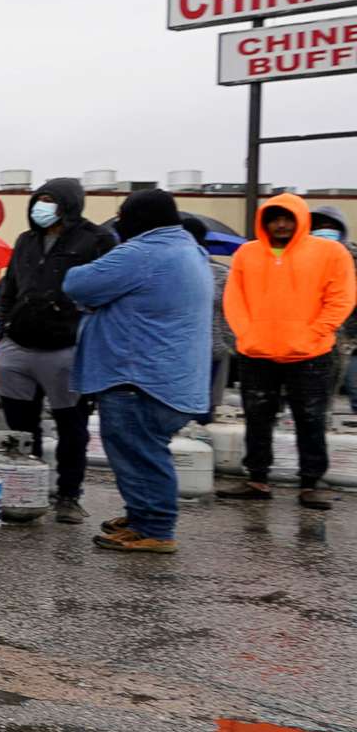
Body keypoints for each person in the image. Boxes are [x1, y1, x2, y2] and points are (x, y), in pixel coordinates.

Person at [65, 191, 212, 553]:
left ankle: (156, 529)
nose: (119, 224)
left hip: (138, 377)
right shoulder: (190, 250)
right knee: (144, 450)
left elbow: (77, 284)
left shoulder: (145, 252)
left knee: (140, 454)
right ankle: (142, 515)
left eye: (123, 216)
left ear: (139, 218)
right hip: (170, 377)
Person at [216, 194, 356, 512]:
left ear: (300, 219)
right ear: (264, 221)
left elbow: (341, 298)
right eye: (274, 218)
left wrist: (314, 334)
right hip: (257, 353)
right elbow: (234, 299)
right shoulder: (247, 254)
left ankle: (311, 483)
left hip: (311, 354)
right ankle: (257, 479)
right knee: (257, 418)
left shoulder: (329, 252)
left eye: (287, 218)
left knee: (311, 419)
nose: (281, 224)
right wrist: (247, 334)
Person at [0, 178, 116, 523]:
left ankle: (68, 496)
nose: (40, 207)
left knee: (71, 426)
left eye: (50, 201)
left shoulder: (97, 240)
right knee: (19, 428)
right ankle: (25, 492)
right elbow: (10, 288)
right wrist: (5, 326)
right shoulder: (26, 240)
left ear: (70, 204)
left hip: (66, 348)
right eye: (38, 200)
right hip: (19, 346)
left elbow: (108, 291)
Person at [183, 217, 233, 419]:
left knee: (203, 410)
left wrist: (229, 344)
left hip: (211, 352)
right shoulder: (171, 270)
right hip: (181, 352)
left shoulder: (221, 274)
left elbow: (231, 313)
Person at [314, 206, 357, 410]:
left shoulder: (352, 258)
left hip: (348, 340)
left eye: (330, 227)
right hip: (312, 338)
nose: (325, 231)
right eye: (319, 227)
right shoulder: (304, 258)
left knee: (351, 386)